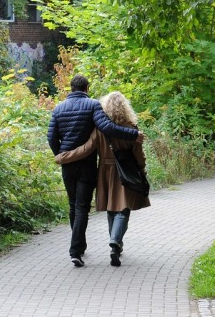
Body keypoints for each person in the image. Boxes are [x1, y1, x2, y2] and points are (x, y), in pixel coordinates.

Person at [48, 75, 144, 267]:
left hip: (71, 163)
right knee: (83, 206)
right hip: (88, 165)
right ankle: (80, 248)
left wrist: (61, 154)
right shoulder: (92, 105)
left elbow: (51, 136)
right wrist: (134, 134)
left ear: (71, 88)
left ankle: (79, 247)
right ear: (87, 88)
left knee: (73, 204)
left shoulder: (58, 108)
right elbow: (107, 127)